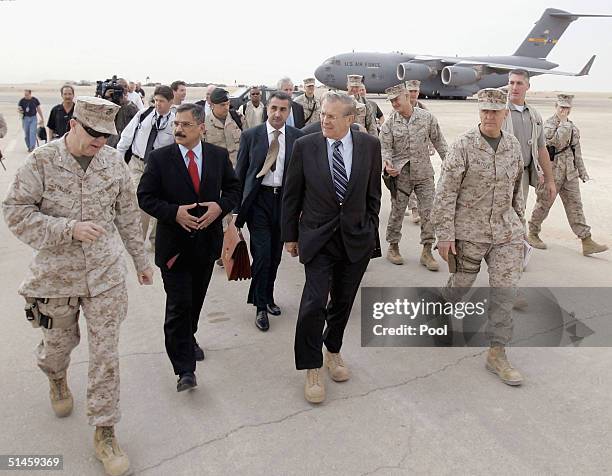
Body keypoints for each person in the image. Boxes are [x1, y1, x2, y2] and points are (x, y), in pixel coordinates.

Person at [2, 96, 153, 476]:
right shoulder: (42, 161)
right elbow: (15, 212)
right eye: (93, 134)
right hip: (56, 277)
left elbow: (128, 216)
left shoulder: (113, 162)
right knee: (57, 348)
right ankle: (56, 378)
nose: (100, 142)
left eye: (106, 136)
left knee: (106, 354)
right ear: (73, 125)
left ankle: (105, 431)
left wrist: (140, 261)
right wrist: (67, 229)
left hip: (105, 275)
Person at [281, 92, 382, 403]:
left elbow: (373, 193)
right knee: (313, 303)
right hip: (318, 237)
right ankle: (311, 367)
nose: (324, 120)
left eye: (332, 116)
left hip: (355, 237)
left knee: (343, 301)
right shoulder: (305, 146)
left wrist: (371, 228)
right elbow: (291, 194)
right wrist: (290, 235)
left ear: (350, 119)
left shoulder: (369, 146)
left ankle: (333, 351)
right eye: (323, 114)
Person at [137, 103, 241, 391]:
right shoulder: (160, 159)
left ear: (201, 128)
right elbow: (145, 197)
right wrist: (173, 213)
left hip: (206, 247)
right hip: (174, 249)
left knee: (194, 302)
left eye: (185, 124)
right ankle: (184, 369)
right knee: (178, 305)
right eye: (176, 125)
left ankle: (188, 336)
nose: (179, 129)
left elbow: (234, 190)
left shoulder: (218, 157)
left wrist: (219, 207)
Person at [431, 88, 525, 386]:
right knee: (461, 285)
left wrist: (520, 226)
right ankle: (442, 307)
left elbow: (517, 189)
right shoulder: (463, 145)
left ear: (505, 114)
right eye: (484, 110)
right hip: (468, 233)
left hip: (505, 232)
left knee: (504, 291)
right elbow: (445, 193)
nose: (488, 116)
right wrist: (445, 234)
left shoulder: (512, 146)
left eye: (495, 111)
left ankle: (497, 352)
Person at [235, 91, 305, 331]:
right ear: (267, 109)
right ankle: (260, 306)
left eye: (283, 110)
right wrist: (235, 211)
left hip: (284, 203)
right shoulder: (250, 136)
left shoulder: (298, 138)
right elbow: (240, 173)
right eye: (274, 108)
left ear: (289, 112)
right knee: (262, 255)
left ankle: (269, 295)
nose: (277, 114)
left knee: (275, 256)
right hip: (259, 202)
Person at [527, 94, 608, 255]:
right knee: (543, 204)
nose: (564, 110)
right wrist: (563, 124)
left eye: (567, 108)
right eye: (562, 107)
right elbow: (555, 142)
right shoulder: (548, 125)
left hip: (569, 174)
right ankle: (533, 233)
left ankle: (586, 240)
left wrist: (582, 172)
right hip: (551, 174)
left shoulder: (573, 127)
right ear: (556, 107)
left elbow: (576, 152)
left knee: (575, 207)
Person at [380, 83, 448, 271]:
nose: (394, 104)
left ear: (407, 97)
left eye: (396, 99)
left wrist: (449, 165)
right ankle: (393, 247)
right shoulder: (390, 123)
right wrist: (387, 163)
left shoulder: (427, 118)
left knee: (429, 213)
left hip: (424, 173)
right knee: (398, 211)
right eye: (391, 101)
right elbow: (385, 147)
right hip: (401, 175)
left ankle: (427, 251)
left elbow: (440, 142)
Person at [117, 85, 176, 243]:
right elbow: (126, 137)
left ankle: (156, 239)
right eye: (156, 100)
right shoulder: (143, 115)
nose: (158, 104)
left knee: (160, 202)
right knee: (139, 201)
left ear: (171, 102)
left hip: (161, 168)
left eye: (162, 101)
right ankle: (137, 240)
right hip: (137, 164)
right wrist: (120, 160)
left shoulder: (175, 122)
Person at [503, 69, 555, 209]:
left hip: (523, 176)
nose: (514, 87)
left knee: (519, 213)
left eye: (519, 83)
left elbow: (541, 149)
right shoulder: (500, 112)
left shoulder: (534, 115)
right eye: (511, 83)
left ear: (527, 86)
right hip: (502, 174)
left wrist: (550, 181)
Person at [404, 79, 429, 222]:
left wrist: (430, 146)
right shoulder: (400, 108)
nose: (413, 94)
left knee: (418, 181)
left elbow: (431, 129)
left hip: (420, 152)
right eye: (410, 91)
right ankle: (413, 209)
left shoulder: (424, 109)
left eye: (415, 91)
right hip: (403, 152)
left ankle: (416, 209)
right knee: (405, 182)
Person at [204, 88, 242, 166]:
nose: (226, 107)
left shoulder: (238, 118)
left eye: (228, 104)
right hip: (217, 170)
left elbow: (248, 142)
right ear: (213, 105)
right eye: (222, 105)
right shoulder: (204, 124)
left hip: (237, 169)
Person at [106, 78, 139, 149]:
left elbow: (138, 116)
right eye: (122, 87)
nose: (125, 89)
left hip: (124, 139)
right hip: (110, 139)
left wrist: (126, 103)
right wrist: (106, 98)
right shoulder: (108, 101)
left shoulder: (130, 103)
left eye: (126, 86)